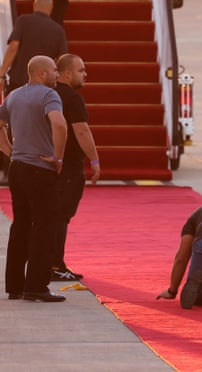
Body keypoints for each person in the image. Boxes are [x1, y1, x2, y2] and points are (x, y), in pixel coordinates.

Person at [0, 55, 68, 302]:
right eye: (53, 70)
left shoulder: (14, 96)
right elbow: (59, 124)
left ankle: (15, 286)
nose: (57, 75)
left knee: (21, 226)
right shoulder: (48, 95)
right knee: (44, 226)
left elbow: (0, 124)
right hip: (40, 168)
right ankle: (37, 286)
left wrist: (10, 151)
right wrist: (57, 157)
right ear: (41, 73)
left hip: (17, 168)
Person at [0, 0, 68, 183]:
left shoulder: (24, 21)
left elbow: (13, 47)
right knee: (41, 127)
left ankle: (12, 165)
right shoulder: (58, 30)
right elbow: (61, 60)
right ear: (51, 8)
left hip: (19, 82)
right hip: (45, 88)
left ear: (35, 5)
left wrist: (1, 74)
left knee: (15, 126)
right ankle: (41, 164)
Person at [50, 54, 100, 281]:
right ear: (67, 73)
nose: (85, 74)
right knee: (61, 217)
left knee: (46, 216)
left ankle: (43, 262)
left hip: (45, 164)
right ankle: (55, 265)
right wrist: (94, 159)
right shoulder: (72, 98)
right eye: (81, 70)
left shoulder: (47, 95)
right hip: (68, 166)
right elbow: (81, 130)